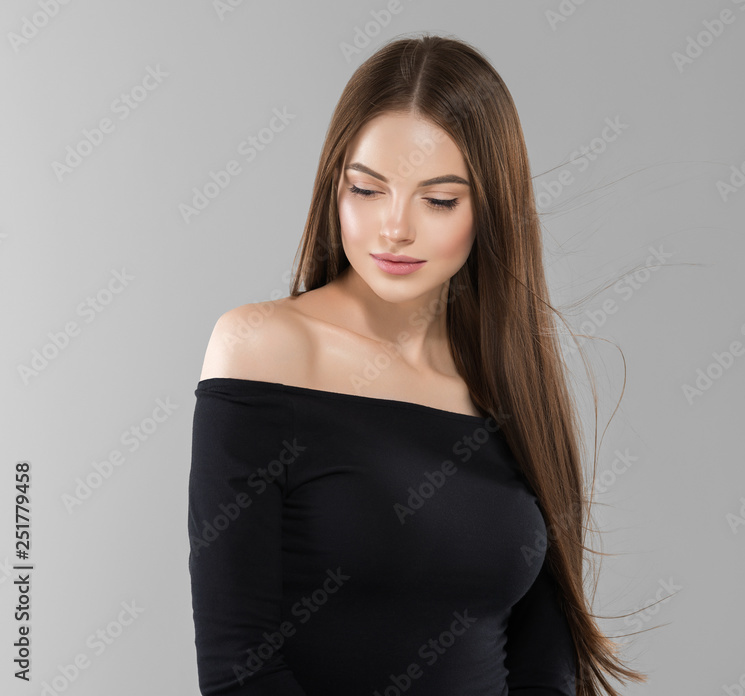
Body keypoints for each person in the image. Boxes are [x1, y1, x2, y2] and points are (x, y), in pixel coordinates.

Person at [187, 33, 649, 695]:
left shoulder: (509, 382)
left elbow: (545, 665)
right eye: (367, 190)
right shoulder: (264, 348)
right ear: (334, 188)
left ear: (490, 208)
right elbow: (241, 671)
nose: (395, 228)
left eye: (438, 200)